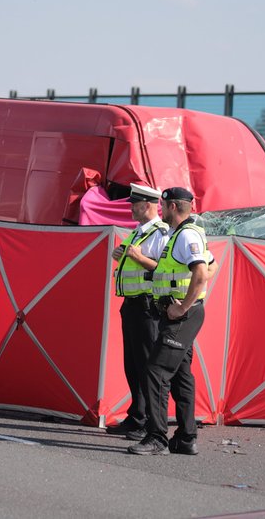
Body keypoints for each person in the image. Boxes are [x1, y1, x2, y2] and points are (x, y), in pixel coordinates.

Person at [128, 187, 212, 456]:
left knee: (156, 371)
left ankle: (156, 437)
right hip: (175, 313)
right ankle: (186, 437)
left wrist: (183, 307)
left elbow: (201, 272)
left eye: (162, 206)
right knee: (181, 374)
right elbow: (212, 265)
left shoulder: (186, 234)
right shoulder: (183, 233)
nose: (159, 210)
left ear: (173, 207)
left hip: (180, 315)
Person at [106, 183, 169, 442]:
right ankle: (136, 415)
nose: (131, 209)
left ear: (148, 205)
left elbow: (161, 267)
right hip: (131, 305)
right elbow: (132, 261)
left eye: (134, 204)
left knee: (146, 366)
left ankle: (147, 422)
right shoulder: (138, 232)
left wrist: (136, 256)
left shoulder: (160, 232)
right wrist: (119, 255)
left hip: (147, 307)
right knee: (132, 365)